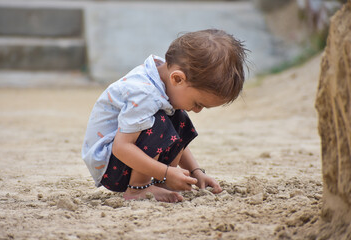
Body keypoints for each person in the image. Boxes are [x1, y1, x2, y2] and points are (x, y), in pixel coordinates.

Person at [82, 29, 248, 203]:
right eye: (198, 103)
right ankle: (138, 189)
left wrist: (196, 172)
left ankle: (160, 184)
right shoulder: (145, 94)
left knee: (178, 118)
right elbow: (121, 147)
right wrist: (167, 172)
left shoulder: (162, 80)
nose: (198, 110)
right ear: (177, 79)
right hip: (111, 166)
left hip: (127, 161)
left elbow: (176, 139)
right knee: (160, 123)